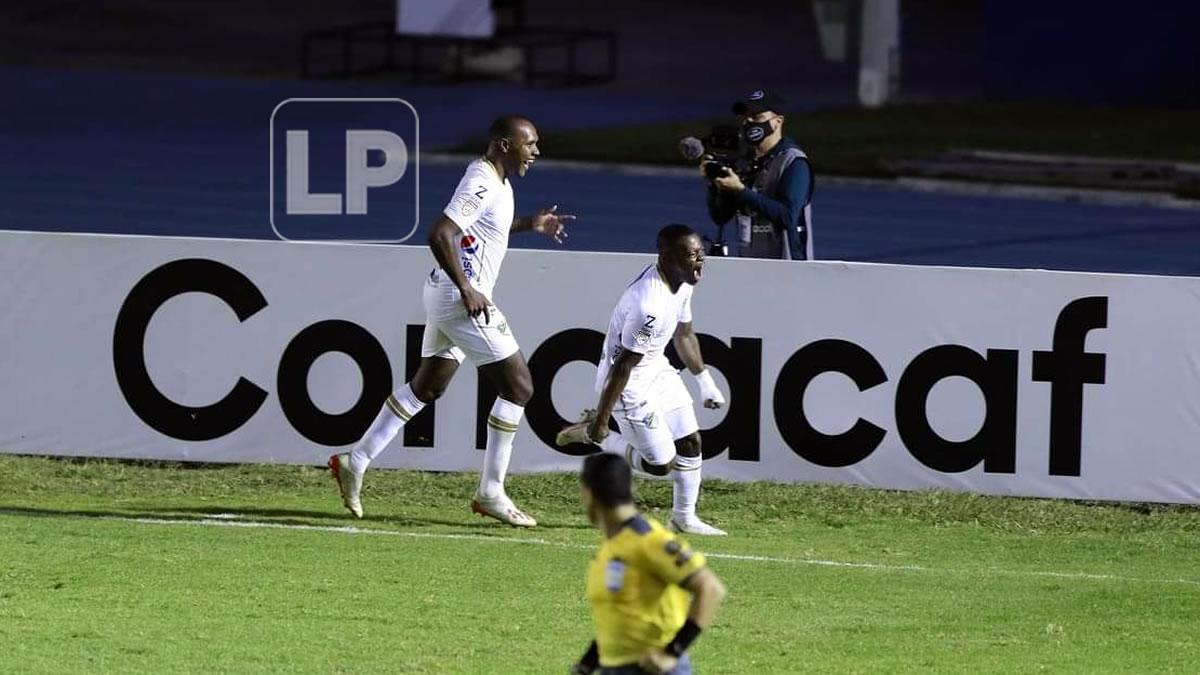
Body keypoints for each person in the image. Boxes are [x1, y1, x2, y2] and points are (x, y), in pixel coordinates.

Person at [328, 115, 575, 527]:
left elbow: (483, 230)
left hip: (449, 293)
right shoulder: (481, 179)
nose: (536, 150)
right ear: (503, 144)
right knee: (520, 386)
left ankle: (356, 459)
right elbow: (440, 233)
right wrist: (467, 288)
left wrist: (530, 224)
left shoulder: (498, 181)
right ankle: (491, 492)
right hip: (461, 299)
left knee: (427, 386)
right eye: (529, 143)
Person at [558, 224, 727, 536]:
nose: (699, 260)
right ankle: (593, 432)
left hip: (656, 368)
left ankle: (684, 518)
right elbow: (623, 367)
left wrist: (705, 381)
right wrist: (603, 418)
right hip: (628, 384)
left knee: (691, 441)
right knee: (660, 465)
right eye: (692, 255)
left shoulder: (683, 281)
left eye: (701, 254)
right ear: (667, 256)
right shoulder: (647, 306)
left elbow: (685, 333)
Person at [570, 453, 727, 675]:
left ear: (589, 493)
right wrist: (586, 665)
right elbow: (619, 615)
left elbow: (710, 588)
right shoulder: (611, 544)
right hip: (613, 666)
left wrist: (672, 653)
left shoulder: (650, 541)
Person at [704, 88, 815, 260]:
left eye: (756, 117)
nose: (748, 122)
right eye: (745, 117)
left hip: (788, 265)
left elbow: (788, 216)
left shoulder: (793, 162)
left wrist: (741, 191)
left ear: (778, 121)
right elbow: (720, 216)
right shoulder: (745, 162)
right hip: (750, 262)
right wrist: (715, 184)